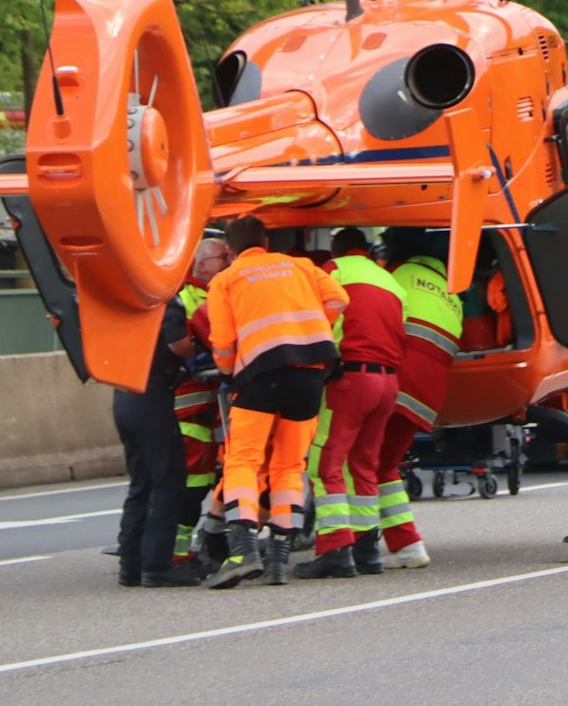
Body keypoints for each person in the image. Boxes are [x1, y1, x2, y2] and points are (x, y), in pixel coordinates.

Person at [196, 216, 347, 589]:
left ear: (230, 251)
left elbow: (223, 343)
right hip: (311, 372)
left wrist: (231, 369)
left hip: (260, 376)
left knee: (243, 461)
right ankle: (278, 557)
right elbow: (339, 299)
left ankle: (243, 550)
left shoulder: (226, 280)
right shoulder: (301, 267)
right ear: (266, 240)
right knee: (289, 465)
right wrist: (307, 327)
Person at [295, 227, 406, 580]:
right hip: (387, 381)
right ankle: (367, 549)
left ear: (337, 250)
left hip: (351, 378)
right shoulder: (390, 281)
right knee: (364, 466)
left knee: (325, 464)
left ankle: (334, 550)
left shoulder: (334, 271)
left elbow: (325, 321)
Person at [367, 229, 465, 568]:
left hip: (395, 383)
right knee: (382, 465)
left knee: (354, 461)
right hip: (426, 397)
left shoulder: (397, 275)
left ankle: (352, 545)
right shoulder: (452, 293)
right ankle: (406, 545)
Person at [113, 300, 212, 587]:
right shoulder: (163, 299)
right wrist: (196, 351)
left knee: (141, 483)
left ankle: (130, 566)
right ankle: (157, 566)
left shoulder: (128, 300)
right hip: (151, 395)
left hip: (124, 393)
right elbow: (178, 345)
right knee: (169, 480)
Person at [169, 239, 230, 570]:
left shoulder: (215, 291)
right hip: (194, 406)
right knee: (193, 481)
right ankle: (178, 553)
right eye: (222, 257)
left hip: (217, 403)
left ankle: (206, 540)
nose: (227, 262)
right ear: (202, 263)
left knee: (223, 474)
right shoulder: (191, 298)